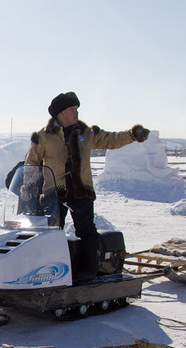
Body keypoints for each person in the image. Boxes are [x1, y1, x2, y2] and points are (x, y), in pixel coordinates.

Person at [25, 91, 150, 283]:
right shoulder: (43, 136)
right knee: (49, 234)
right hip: (54, 194)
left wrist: (132, 135)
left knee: (86, 232)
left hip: (80, 192)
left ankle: (87, 272)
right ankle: (48, 271)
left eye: (77, 109)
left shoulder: (86, 132)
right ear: (61, 113)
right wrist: (29, 187)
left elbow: (110, 139)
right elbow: (31, 162)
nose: (76, 112)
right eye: (72, 109)